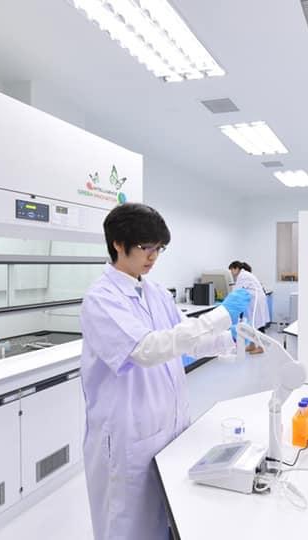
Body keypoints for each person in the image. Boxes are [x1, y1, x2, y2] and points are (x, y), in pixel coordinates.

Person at [80, 203, 252, 540]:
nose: (153, 256)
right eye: (146, 247)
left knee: (169, 517)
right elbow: (146, 349)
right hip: (129, 434)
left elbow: (186, 339)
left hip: (168, 427)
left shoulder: (155, 292)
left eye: (159, 248)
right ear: (118, 244)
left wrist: (228, 336)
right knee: (129, 525)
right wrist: (219, 316)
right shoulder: (101, 299)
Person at [228, 260, 271, 354]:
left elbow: (236, 291)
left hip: (256, 301)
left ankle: (261, 347)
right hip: (254, 300)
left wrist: (227, 300)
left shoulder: (242, 276)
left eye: (232, 270)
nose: (231, 273)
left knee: (257, 324)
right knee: (252, 324)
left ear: (236, 268)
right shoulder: (244, 274)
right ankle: (252, 345)